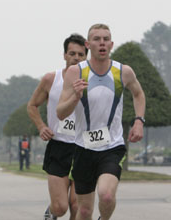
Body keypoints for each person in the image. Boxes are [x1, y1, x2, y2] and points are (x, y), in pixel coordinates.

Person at [57, 24, 146, 220]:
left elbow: (138, 94)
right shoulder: (76, 72)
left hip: (112, 146)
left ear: (111, 44)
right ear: (89, 45)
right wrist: (75, 97)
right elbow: (61, 113)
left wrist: (139, 120)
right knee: (85, 211)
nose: (102, 43)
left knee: (106, 195)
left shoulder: (123, 72)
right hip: (83, 148)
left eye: (106, 39)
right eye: (97, 39)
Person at [27, 33, 88, 220]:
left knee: (77, 205)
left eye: (80, 54)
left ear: (86, 57)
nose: (76, 58)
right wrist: (41, 126)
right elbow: (32, 106)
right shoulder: (50, 79)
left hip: (83, 148)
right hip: (59, 146)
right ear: (64, 55)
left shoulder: (93, 81)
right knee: (61, 207)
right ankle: (50, 213)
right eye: (72, 53)